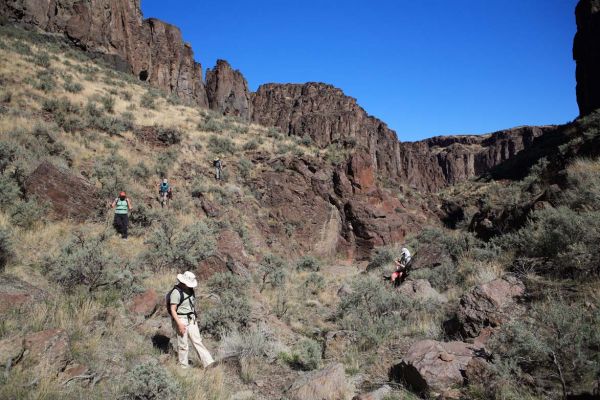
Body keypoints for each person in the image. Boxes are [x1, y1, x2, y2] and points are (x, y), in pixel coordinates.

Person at [167, 271, 215, 369]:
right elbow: (173, 310)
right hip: (181, 319)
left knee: (197, 341)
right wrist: (179, 324)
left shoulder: (190, 290)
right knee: (183, 345)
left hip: (191, 319)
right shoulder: (176, 292)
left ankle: (209, 364)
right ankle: (183, 367)